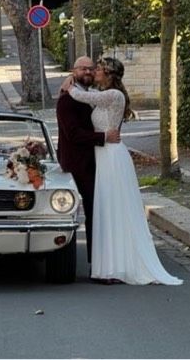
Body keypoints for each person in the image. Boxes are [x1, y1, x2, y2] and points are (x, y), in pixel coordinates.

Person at [63, 56, 183, 286]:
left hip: (111, 156)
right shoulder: (104, 95)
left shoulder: (113, 95)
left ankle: (117, 265)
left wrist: (70, 80)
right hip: (103, 154)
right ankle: (109, 264)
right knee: (106, 210)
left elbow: (81, 95)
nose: (94, 72)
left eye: (98, 69)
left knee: (112, 210)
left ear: (108, 73)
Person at [56, 56, 120, 269]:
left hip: (97, 161)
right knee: (85, 211)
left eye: (92, 69)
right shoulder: (67, 99)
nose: (88, 72)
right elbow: (73, 134)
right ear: (74, 71)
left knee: (98, 211)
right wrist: (103, 138)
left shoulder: (93, 95)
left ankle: (99, 260)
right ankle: (90, 260)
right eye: (83, 69)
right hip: (77, 163)